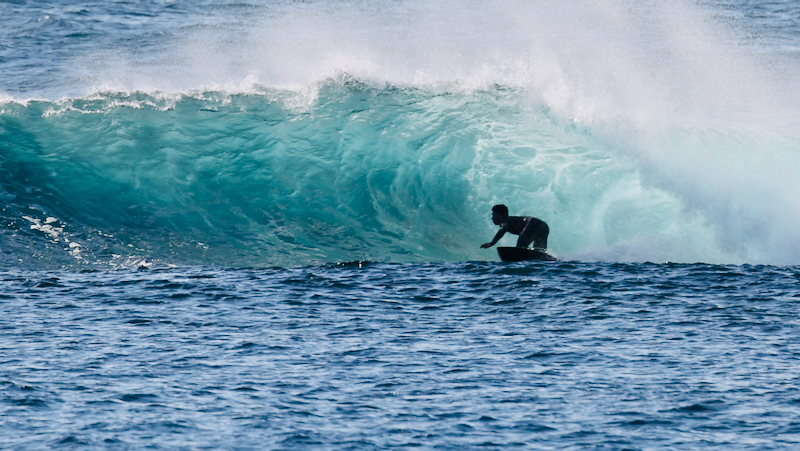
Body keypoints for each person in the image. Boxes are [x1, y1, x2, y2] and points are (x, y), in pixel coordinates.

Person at [481, 204, 549, 250]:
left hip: (532, 223)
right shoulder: (509, 221)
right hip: (543, 226)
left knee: (520, 249)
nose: (492, 218)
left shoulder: (505, 221)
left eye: (494, 215)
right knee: (539, 252)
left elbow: (502, 230)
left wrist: (492, 243)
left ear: (502, 215)